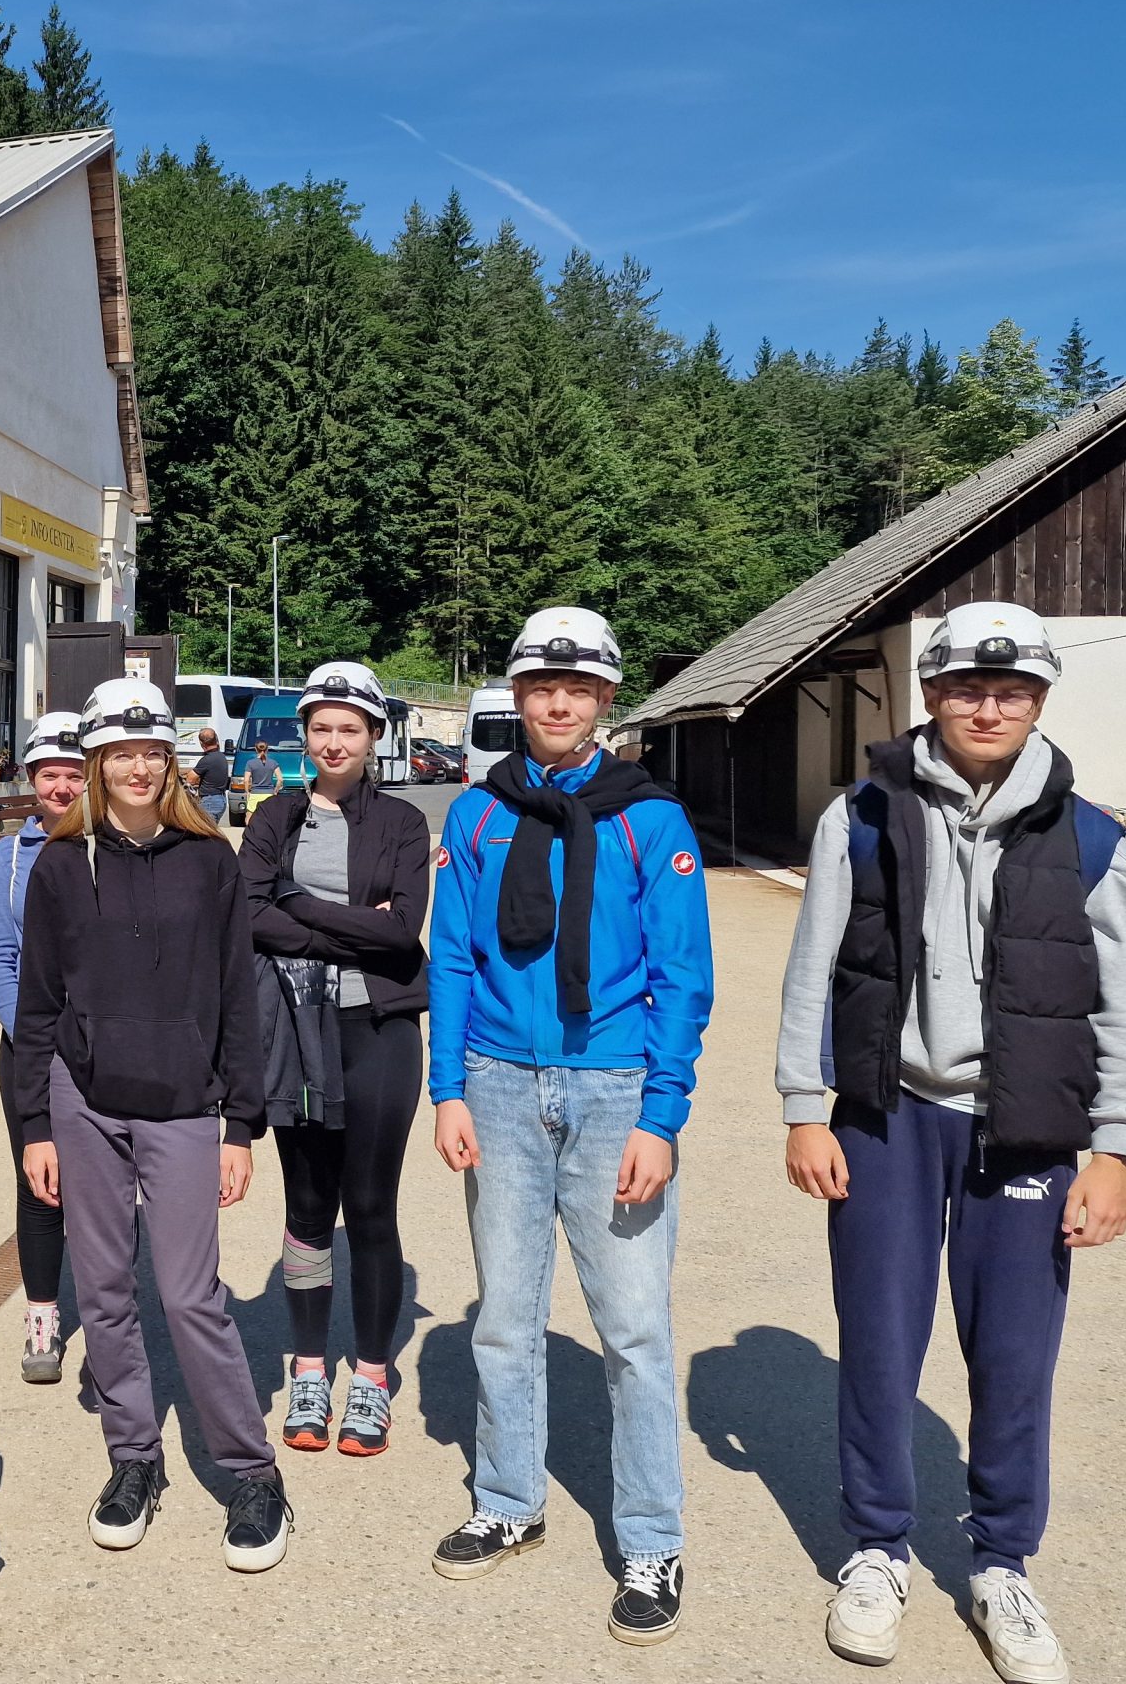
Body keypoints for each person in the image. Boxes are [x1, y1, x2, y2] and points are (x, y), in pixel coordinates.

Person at [773, 602, 1126, 1683]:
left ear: (1039, 699)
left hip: (1026, 1131)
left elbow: (1125, 1007)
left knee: (1012, 1360)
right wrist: (806, 1105)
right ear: (929, 694)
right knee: (880, 1345)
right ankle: (876, 1548)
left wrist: (1117, 1149)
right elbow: (813, 966)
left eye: (1011, 690)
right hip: (888, 1116)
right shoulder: (859, 815)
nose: (986, 706)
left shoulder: (1093, 839)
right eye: (963, 688)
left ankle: (1000, 1564)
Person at [426, 606, 711, 1645]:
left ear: (604, 701)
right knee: (504, 1314)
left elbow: (683, 980)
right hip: (497, 1086)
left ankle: (648, 1535)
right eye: (541, 685)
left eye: (578, 687)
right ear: (516, 696)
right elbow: (450, 957)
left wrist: (661, 1115)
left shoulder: (650, 820)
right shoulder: (475, 816)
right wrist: (447, 1088)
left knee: (631, 1328)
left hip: (611, 1093)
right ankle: (508, 1502)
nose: (557, 701)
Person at [12, 677, 291, 1574]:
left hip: (181, 1106)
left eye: (150, 751)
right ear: (94, 763)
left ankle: (251, 1473)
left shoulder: (212, 861)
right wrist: (35, 1125)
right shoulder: (60, 863)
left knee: (188, 1295)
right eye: (119, 752)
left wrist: (242, 1125)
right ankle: (133, 1459)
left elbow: (237, 998)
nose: (136, 766)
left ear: (170, 760)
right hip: (83, 1104)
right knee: (103, 1294)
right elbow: (38, 1002)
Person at [238, 661, 432, 1457]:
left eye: (349, 728)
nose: (333, 741)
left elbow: (402, 932)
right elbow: (248, 915)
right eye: (320, 727)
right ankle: (312, 1366)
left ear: (374, 738)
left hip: (378, 1031)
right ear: (304, 734)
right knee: (308, 1209)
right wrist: (352, 919)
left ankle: (373, 1376)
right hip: (295, 1030)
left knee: (372, 1207)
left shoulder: (404, 824)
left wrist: (299, 906)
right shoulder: (273, 815)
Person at [0, 711, 86, 1383]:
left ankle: (108, 1318)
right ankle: (42, 1315)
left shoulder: (112, 846)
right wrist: (38, 1038)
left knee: (103, 1191)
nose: (63, 788)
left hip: (106, 1047)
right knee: (40, 1184)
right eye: (51, 775)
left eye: (75, 775)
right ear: (32, 781)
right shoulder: (8, 858)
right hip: (31, 1048)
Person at [192, 729, 231, 827]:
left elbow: (190, 778)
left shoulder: (207, 760)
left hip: (210, 801)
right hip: (220, 799)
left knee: (206, 834)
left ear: (201, 743)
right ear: (216, 739)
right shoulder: (221, 757)